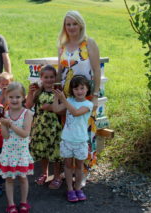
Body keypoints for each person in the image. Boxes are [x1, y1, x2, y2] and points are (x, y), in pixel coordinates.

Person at [57, 10, 101, 187]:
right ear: (64, 27)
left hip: (85, 97)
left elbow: (97, 70)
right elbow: (60, 73)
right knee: (69, 134)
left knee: (85, 135)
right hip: (67, 98)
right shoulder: (62, 45)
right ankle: (70, 168)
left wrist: (96, 96)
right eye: (68, 24)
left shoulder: (88, 43)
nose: (71, 27)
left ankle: (83, 172)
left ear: (80, 24)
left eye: (74, 23)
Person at [53, 75, 93, 202]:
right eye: (76, 89)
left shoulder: (88, 104)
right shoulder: (69, 100)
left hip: (80, 141)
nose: (79, 91)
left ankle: (78, 188)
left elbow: (75, 112)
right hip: (67, 140)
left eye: (82, 88)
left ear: (87, 89)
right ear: (72, 90)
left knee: (80, 165)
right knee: (68, 165)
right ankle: (70, 189)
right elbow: (56, 109)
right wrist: (56, 96)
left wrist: (63, 100)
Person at [0, 82, 34, 213]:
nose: (14, 100)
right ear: (6, 97)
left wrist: (10, 124)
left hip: (21, 153)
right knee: (9, 179)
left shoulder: (27, 113)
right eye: (11, 97)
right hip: (8, 152)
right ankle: (11, 203)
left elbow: (24, 133)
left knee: (23, 178)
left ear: (23, 98)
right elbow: (5, 136)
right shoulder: (5, 114)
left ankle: (24, 202)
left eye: (18, 97)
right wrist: (3, 123)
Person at [26, 65, 63, 189]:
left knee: (55, 152)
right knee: (42, 150)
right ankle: (44, 173)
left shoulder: (58, 91)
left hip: (54, 127)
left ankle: (57, 176)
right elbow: (29, 105)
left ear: (56, 78)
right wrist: (30, 93)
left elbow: (65, 111)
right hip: (40, 126)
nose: (49, 80)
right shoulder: (38, 91)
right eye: (46, 77)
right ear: (41, 78)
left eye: (52, 77)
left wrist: (53, 108)